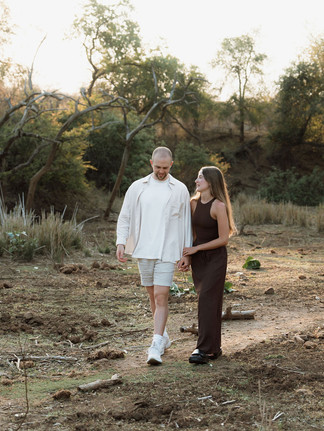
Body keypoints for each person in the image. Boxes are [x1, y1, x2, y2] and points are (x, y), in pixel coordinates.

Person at [116, 147, 191, 365]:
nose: (161, 171)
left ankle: (155, 344)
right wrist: (121, 242)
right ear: (151, 163)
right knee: (152, 297)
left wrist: (186, 252)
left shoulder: (180, 189)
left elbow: (186, 223)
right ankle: (164, 336)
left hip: (168, 250)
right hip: (143, 249)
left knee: (161, 296)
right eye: (157, 167)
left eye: (165, 168)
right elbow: (125, 216)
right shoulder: (137, 187)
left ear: (171, 165)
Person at [182, 166, 236, 364]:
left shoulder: (218, 206)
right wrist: (188, 256)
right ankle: (214, 349)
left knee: (206, 299)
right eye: (197, 177)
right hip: (199, 260)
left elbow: (224, 239)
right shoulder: (193, 203)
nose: (196, 181)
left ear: (211, 182)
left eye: (200, 178)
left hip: (215, 258)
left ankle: (203, 348)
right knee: (209, 302)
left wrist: (197, 249)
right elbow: (192, 234)